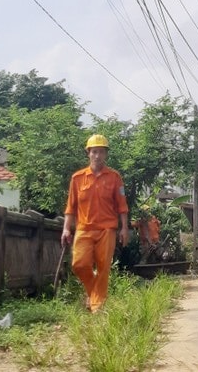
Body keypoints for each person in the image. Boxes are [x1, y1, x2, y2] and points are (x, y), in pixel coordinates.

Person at [61, 134, 130, 312]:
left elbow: (122, 205)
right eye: (94, 152)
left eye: (101, 152)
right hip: (84, 229)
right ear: (88, 153)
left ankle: (97, 306)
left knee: (103, 267)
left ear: (106, 154)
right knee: (79, 264)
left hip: (107, 229)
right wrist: (66, 229)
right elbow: (70, 206)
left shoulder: (115, 177)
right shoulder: (77, 178)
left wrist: (124, 228)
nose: (97, 155)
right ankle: (94, 294)